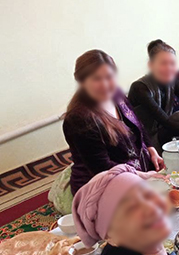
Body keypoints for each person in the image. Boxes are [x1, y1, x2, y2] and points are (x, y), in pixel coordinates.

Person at [62, 50, 163, 196]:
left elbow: (138, 125)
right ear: (82, 82)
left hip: (134, 173)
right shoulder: (79, 120)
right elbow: (102, 169)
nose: (105, 84)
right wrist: (143, 177)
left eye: (109, 77)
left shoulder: (117, 95)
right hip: (101, 184)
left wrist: (151, 149)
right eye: (96, 79)